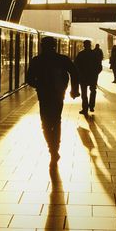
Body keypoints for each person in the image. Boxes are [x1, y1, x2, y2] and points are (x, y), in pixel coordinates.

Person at [27, 36, 80, 167]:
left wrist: (38, 85)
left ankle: (52, 148)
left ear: (41, 46)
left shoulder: (37, 60)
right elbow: (74, 72)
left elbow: (29, 78)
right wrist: (74, 90)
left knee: (45, 121)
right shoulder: (62, 59)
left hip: (44, 95)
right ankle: (55, 148)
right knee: (56, 120)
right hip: (58, 94)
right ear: (55, 46)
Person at [74, 40, 103, 115]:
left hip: (83, 76)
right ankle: (92, 106)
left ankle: (85, 108)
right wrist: (96, 74)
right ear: (90, 45)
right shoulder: (95, 54)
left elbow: (76, 65)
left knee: (84, 93)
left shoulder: (81, 54)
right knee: (93, 90)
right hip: (92, 76)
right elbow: (100, 66)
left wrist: (79, 73)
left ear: (84, 45)